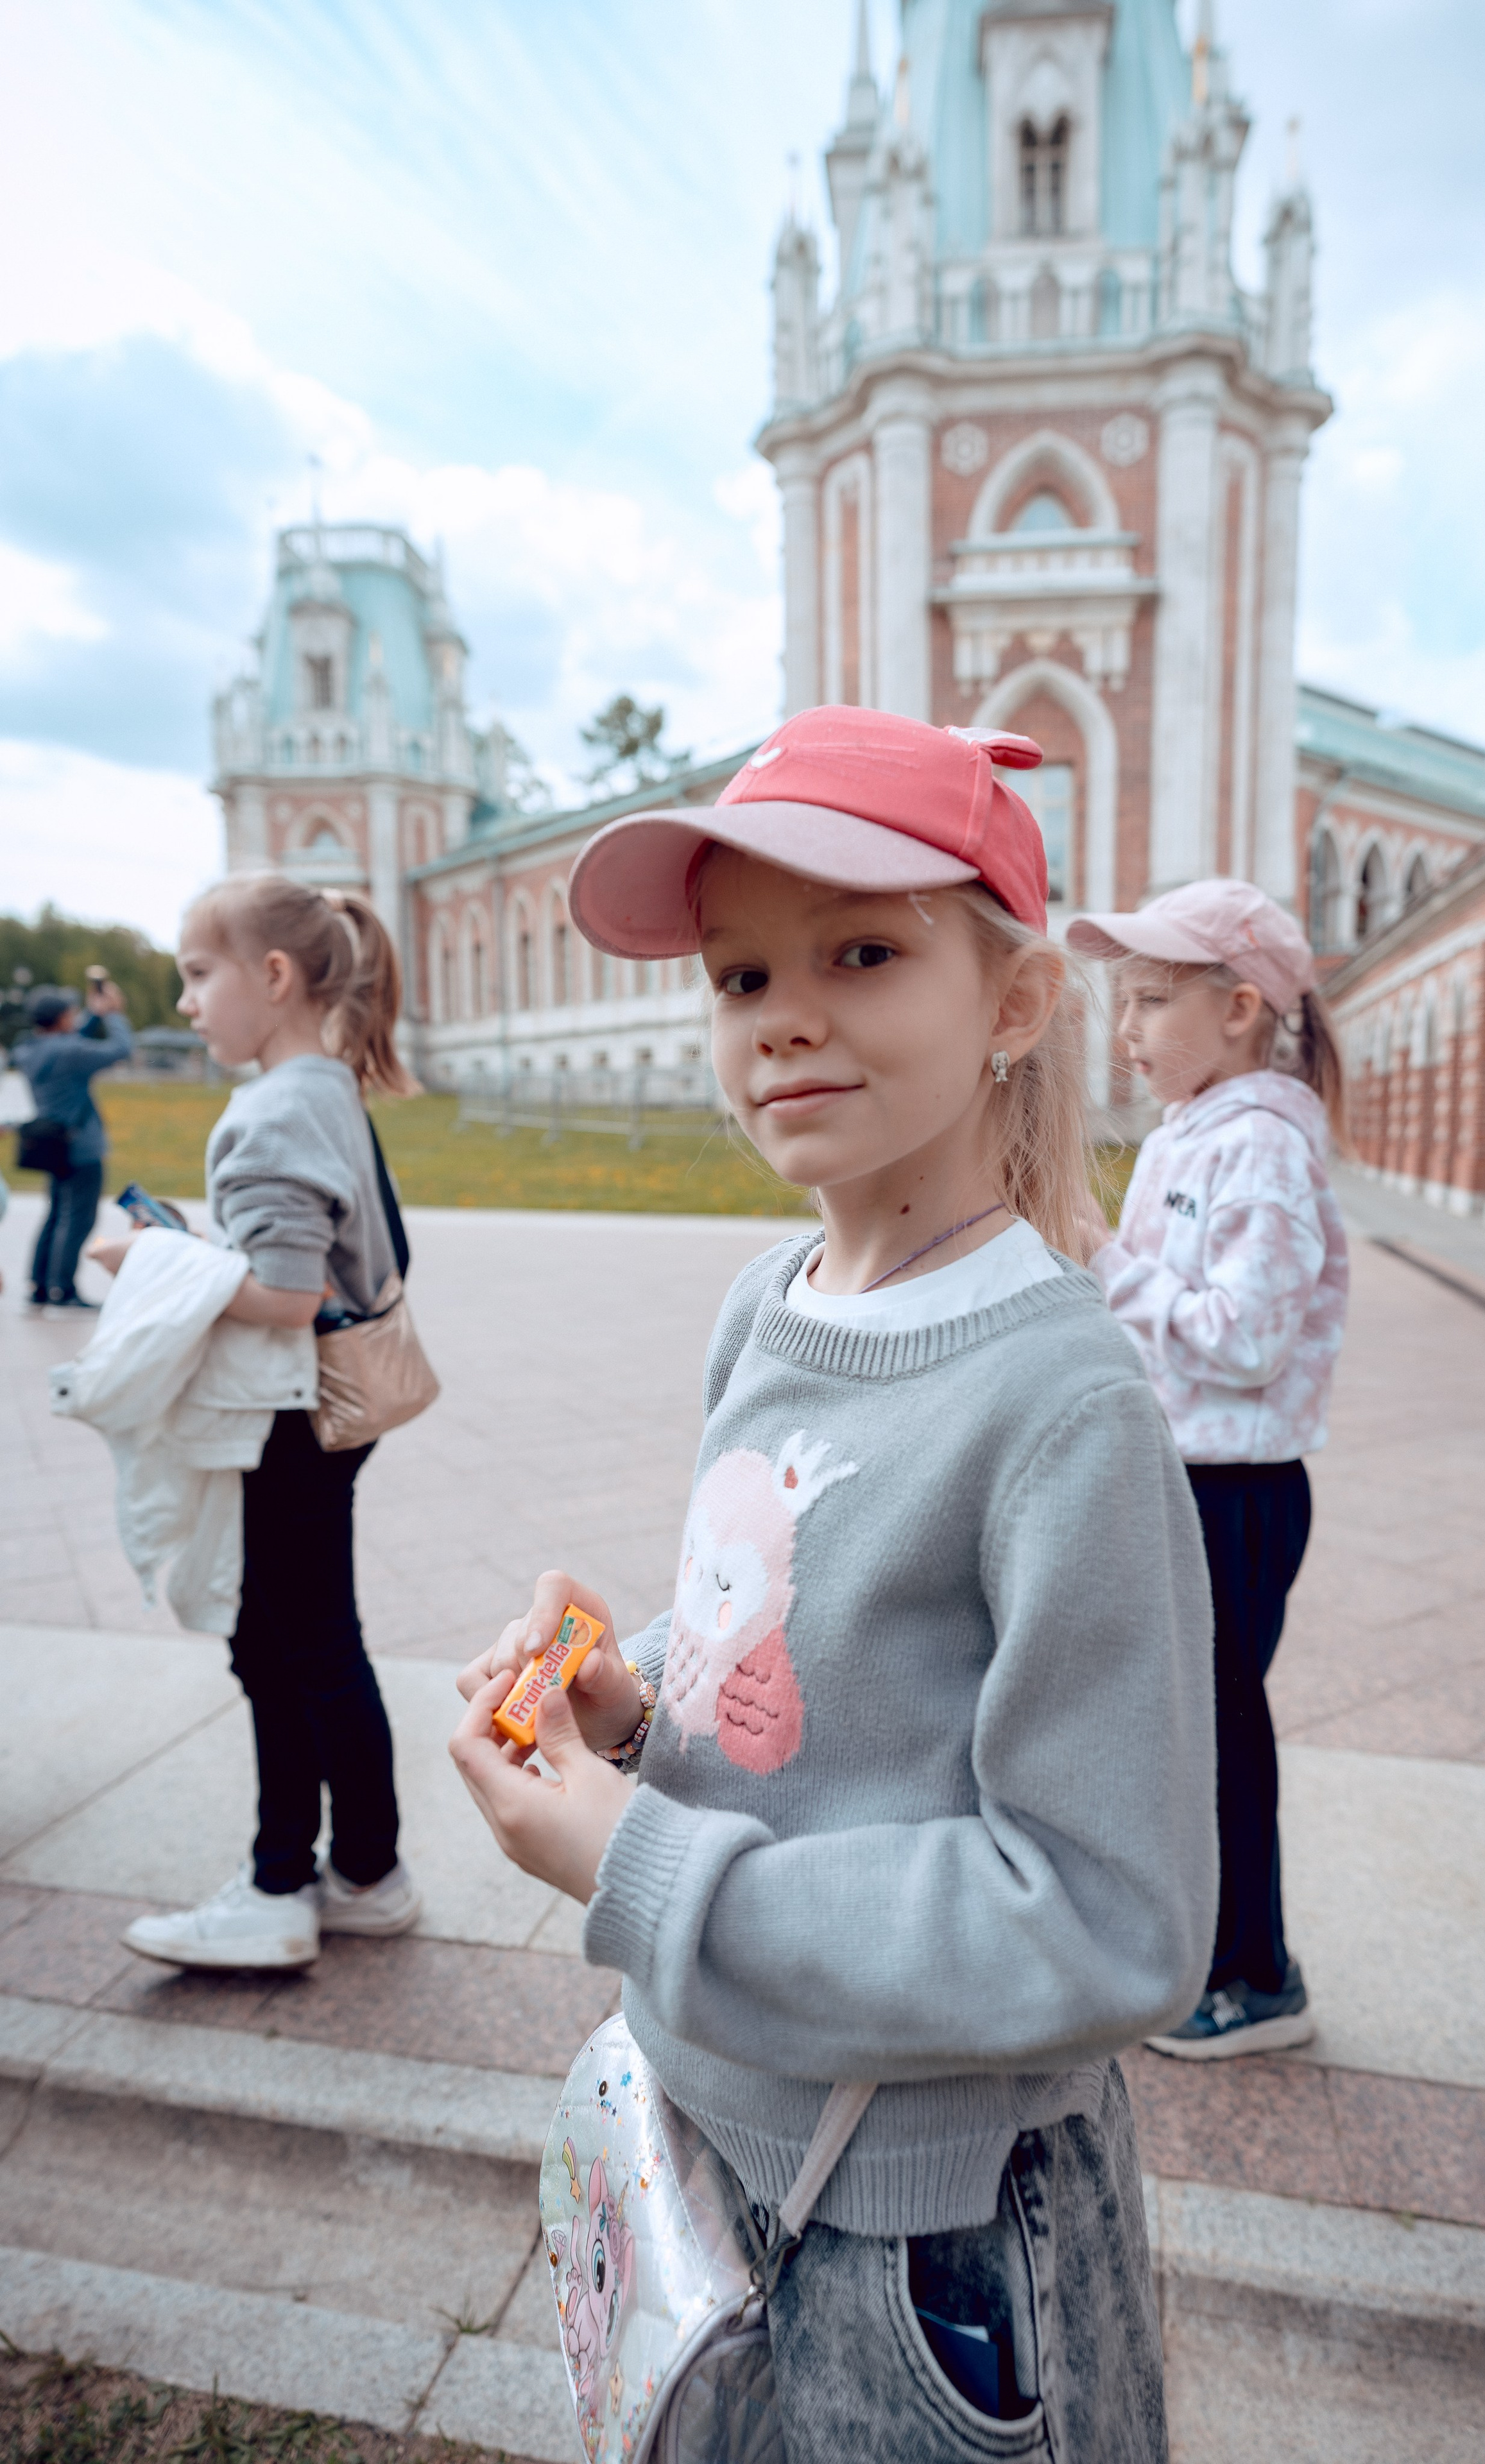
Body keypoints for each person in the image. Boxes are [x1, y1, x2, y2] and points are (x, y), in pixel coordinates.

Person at [449, 707, 1216, 2460]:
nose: (785, 1013)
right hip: (722, 2125)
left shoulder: (1063, 1406)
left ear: (1014, 1005)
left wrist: (637, 1869)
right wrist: (628, 1702)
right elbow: (781, 1650)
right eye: (739, 979)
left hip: (925, 2235)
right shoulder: (767, 1303)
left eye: (863, 952)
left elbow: (1113, 1916)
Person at [101, 875, 424, 1972]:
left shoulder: (276, 1107)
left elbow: (285, 1294)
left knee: (286, 1646)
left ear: (274, 977)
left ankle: (284, 1883)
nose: (186, 1003)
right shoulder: (326, 1085)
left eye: (199, 975)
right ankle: (365, 1871)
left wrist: (150, 1254)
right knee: (314, 1640)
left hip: (286, 1412)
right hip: (331, 1406)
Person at [1068, 882, 1350, 2060]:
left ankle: (1255, 1976)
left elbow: (1246, 1337)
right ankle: (1199, 1947)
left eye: (1147, 1000)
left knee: (1223, 1733)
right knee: (1185, 1729)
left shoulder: (1264, 1147)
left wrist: (1106, 1263)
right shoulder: (1194, 1129)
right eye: (1121, 1003)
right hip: (1186, 1474)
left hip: (1233, 1491)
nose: (1124, 1030)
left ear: (1240, 1009)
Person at [15, 979, 134, 1308]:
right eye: (71, 1013)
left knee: (55, 1214)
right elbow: (121, 1049)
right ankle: (63, 1290)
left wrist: (93, 1016)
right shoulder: (69, 1051)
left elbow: (71, 1040)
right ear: (61, 1020)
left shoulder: (31, 1049)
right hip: (80, 1147)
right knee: (78, 1218)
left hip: (52, 1146)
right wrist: (113, 1015)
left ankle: (39, 1284)